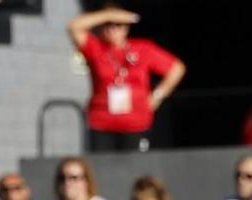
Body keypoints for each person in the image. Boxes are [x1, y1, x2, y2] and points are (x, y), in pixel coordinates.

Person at [69, 6, 185, 153]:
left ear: (126, 28)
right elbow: (74, 26)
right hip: (102, 121)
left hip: (136, 122)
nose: (113, 29)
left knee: (135, 166)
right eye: (108, 24)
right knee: (103, 166)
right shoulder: (95, 48)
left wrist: (157, 96)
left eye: (118, 25)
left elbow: (176, 68)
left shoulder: (143, 48)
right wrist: (107, 14)